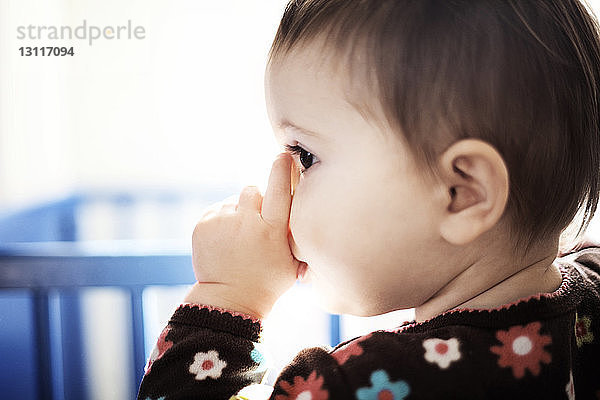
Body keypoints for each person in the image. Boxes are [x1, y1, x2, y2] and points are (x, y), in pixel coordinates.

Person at [137, 1, 600, 398]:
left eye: (305, 155)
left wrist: (227, 300)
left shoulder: (355, 384)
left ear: (461, 194)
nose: (285, 186)